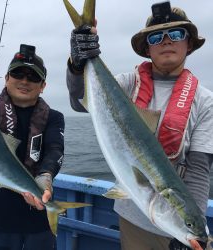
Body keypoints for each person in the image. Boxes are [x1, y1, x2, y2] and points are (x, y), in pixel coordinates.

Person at [66, 1, 213, 250]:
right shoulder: (126, 84)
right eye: (157, 37)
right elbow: (80, 102)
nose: (167, 41)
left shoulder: (205, 101)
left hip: (179, 225)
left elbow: (199, 170)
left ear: (189, 44)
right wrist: (77, 63)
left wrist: (190, 230)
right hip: (133, 220)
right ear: (147, 48)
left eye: (176, 34)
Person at [0, 44, 65, 250]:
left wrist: (45, 177)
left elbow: (55, 149)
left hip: (39, 217)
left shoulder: (54, 117)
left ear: (43, 85)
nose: (25, 81)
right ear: (7, 77)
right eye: (18, 73)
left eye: (33, 77)